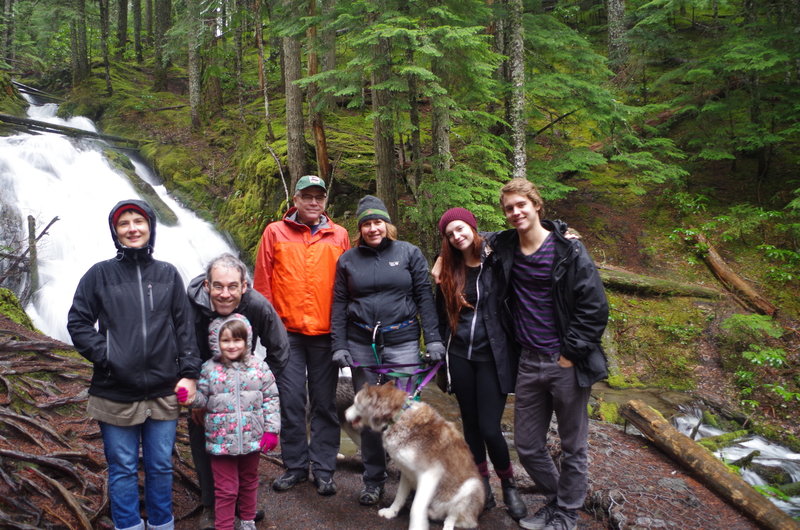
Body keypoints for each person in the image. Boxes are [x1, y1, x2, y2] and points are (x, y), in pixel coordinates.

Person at [67, 199, 201, 530]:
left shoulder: (168, 274)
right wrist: (107, 354)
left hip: (163, 390)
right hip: (114, 391)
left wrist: (190, 375)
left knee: (160, 466)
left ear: (150, 227)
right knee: (123, 466)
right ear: (116, 232)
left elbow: (185, 330)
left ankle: (161, 524)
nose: (132, 228)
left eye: (138, 221)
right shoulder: (99, 275)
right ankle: (127, 525)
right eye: (124, 223)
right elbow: (78, 323)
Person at [490, 178, 609, 530]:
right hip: (528, 360)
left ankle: (567, 515)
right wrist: (438, 263)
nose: (515, 213)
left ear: (536, 205)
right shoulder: (505, 247)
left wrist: (570, 353)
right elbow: (467, 241)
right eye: (509, 208)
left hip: (565, 362)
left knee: (574, 446)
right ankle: (563, 500)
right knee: (527, 445)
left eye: (520, 205)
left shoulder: (568, 250)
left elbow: (595, 307)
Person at [331, 194, 445, 506]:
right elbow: (339, 304)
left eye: (377, 221)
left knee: (407, 414)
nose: (372, 228)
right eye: (366, 223)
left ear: (387, 224)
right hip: (361, 343)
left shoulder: (408, 253)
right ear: (360, 228)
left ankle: (415, 482)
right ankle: (373, 480)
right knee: (369, 414)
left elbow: (424, 296)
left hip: (404, 341)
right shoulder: (348, 260)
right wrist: (339, 345)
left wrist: (433, 339)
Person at [253, 175, 350, 496]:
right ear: (294, 200)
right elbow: (262, 284)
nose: (312, 202)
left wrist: (344, 334)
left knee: (324, 404)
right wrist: (266, 330)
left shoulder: (339, 236)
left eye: (318, 197)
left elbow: (348, 286)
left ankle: (323, 469)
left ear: (325, 202)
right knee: (291, 402)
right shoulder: (274, 232)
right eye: (306, 196)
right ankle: (295, 466)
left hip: (325, 335)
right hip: (286, 335)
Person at [434, 207, 527, 522]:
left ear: (473, 228)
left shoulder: (496, 259)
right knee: (471, 428)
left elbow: (520, 235)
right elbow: (438, 313)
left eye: (461, 229)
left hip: (493, 357)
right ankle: (482, 484)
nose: (457, 236)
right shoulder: (450, 268)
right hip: (460, 356)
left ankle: (509, 484)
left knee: (490, 427)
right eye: (450, 234)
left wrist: (563, 231)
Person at [186, 253, 290, 529]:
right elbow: (183, 348)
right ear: (207, 286)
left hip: (244, 381)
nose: (225, 293)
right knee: (201, 432)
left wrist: (256, 384)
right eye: (218, 286)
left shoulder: (257, 305)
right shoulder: (192, 305)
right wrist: (197, 394)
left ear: (245, 286)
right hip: (205, 379)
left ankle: (245, 508)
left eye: (233, 286)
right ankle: (211, 504)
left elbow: (279, 347)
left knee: (247, 455)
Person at [190, 314, 280, 530]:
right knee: (226, 489)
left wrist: (271, 430)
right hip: (221, 442)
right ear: (216, 342)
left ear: (247, 340)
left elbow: (271, 398)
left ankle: (248, 521)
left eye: (237, 340)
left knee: (249, 481)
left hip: (252, 438)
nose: (232, 346)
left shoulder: (259, 367)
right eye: (226, 340)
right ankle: (224, 526)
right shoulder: (209, 369)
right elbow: (201, 399)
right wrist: (190, 396)